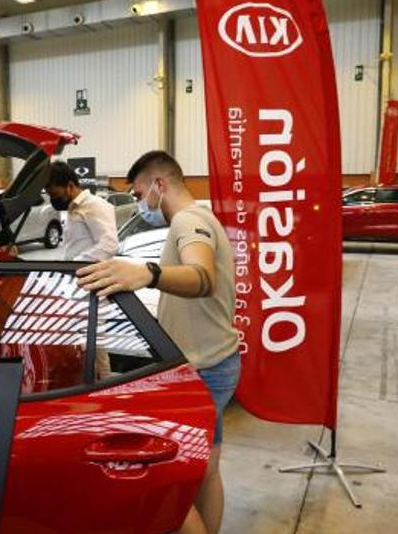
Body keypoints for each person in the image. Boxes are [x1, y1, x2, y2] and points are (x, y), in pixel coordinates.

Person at [75, 151, 239, 534]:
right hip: (218, 360)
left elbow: (201, 277)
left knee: (169, 482)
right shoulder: (202, 216)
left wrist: (146, 273)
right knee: (206, 472)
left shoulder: (187, 220)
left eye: (137, 193)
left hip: (202, 370)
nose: (138, 203)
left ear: (158, 186)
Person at [45, 161, 118, 262]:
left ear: (70, 186)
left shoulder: (94, 205)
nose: (53, 198)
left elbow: (109, 245)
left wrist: (77, 264)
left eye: (55, 194)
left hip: (89, 273)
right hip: (77, 272)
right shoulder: (72, 208)